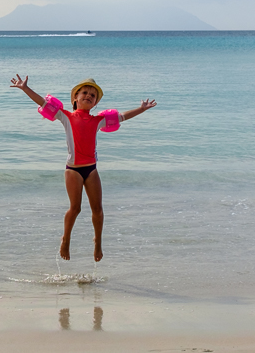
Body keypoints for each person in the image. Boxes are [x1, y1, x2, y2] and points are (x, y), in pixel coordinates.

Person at [10, 74, 157, 261]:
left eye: (92, 95)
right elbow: (43, 103)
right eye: (84, 93)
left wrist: (141, 109)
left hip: (92, 170)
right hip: (73, 170)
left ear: (95, 103)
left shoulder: (98, 121)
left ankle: (98, 242)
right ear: (75, 98)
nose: (88, 96)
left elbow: (123, 117)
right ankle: (66, 239)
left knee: (98, 210)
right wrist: (25, 89)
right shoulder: (66, 116)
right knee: (76, 208)